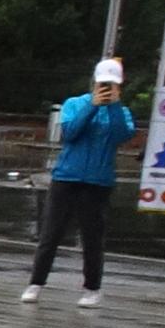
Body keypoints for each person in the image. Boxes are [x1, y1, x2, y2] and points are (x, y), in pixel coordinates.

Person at [23, 56, 136, 303]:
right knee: (50, 234)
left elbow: (121, 136)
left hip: (98, 181)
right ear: (94, 81)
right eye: (103, 83)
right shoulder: (74, 104)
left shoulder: (122, 112)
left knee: (92, 237)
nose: (106, 88)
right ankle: (36, 283)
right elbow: (70, 133)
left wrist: (114, 106)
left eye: (111, 84)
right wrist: (92, 106)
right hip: (66, 177)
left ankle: (92, 287)